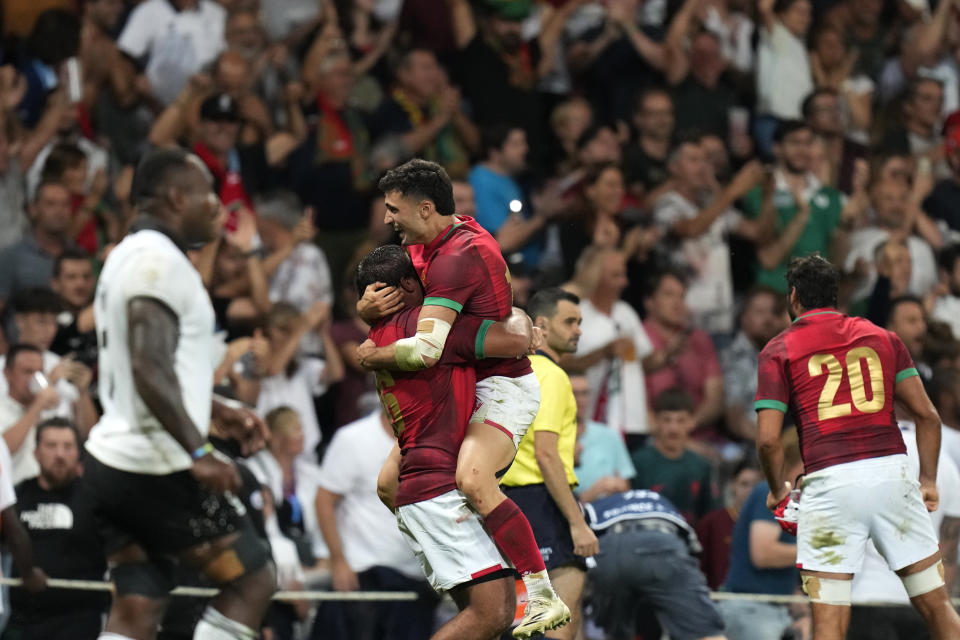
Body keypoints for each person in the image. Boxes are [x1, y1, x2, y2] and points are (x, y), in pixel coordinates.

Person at [356, 159, 567, 636]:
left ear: (426, 208)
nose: (387, 219)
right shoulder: (432, 243)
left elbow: (430, 348)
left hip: (501, 385)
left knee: (472, 478)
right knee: (389, 484)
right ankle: (463, 567)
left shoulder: (455, 257)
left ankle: (539, 591)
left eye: (394, 209)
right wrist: (365, 309)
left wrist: (372, 355)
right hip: (465, 380)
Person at [84, 148, 276, 640]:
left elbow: (149, 366)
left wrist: (213, 408)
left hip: (111, 463)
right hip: (156, 465)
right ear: (175, 197)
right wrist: (200, 447)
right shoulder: (158, 262)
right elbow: (147, 363)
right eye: (208, 194)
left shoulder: (124, 255)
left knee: (138, 607)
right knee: (253, 579)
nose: (218, 206)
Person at [754, 254, 960, 639]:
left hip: (830, 488)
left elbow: (768, 440)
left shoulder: (779, 349)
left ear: (794, 297)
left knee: (829, 623)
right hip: (892, 479)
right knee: (937, 606)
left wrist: (776, 488)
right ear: (835, 297)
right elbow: (928, 416)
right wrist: (928, 479)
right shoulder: (884, 338)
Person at [355, 244, 538, 640]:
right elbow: (514, 340)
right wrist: (522, 318)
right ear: (408, 283)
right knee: (491, 616)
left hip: (414, 491)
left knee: (491, 614)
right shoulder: (435, 333)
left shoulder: (378, 336)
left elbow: (386, 485)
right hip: (437, 493)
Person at [501, 288, 599, 640]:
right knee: (560, 624)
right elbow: (545, 453)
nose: (578, 330)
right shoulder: (552, 375)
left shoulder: (510, 371)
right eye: (569, 322)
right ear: (540, 325)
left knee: (518, 623)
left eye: (580, 322)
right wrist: (577, 523)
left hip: (507, 503)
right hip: (544, 504)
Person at [313, 407, 438, 640]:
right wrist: (338, 561)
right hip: (363, 575)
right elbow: (324, 500)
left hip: (415, 579)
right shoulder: (353, 439)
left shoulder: (432, 439)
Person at [848, 420, 960, 639]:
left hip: (868, 595)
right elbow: (949, 549)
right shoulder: (945, 463)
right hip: (923, 602)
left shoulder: (865, 456)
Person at [8, 418, 108, 639]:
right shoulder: (16, 497)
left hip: (79, 619)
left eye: (68, 446)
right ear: (36, 453)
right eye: (51, 446)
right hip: (22, 619)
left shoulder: (97, 500)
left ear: (78, 453)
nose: (60, 454)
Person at [585, 489, 727, 640]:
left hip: (609, 548)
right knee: (704, 631)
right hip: (662, 544)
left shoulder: (595, 506)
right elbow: (692, 549)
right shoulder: (661, 500)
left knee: (609, 633)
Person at [719, 428, 803, 640]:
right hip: (751, 610)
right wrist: (818, 548)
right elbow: (763, 553)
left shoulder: (793, 499)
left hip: (772, 610)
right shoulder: (771, 491)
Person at [630, 389, 718, 526]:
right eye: (667, 420)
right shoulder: (637, 462)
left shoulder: (701, 465)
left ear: (692, 422)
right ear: (655, 420)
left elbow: (709, 515)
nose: (673, 428)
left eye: (681, 420)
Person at [696, 461, 764, 590]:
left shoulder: (772, 523)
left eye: (756, 485)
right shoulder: (712, 522)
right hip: (719, 599)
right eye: (744, 484)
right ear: (733, 485)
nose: (750, 490)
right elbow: (699, 567)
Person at [570, 373, 635, 503]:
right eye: (573, 393)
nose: (580, 400)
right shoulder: (547, 438)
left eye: (585, 393)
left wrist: (618, 486)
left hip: (608, 512)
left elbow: (626, 485)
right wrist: (591, 494)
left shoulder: (609, 435)